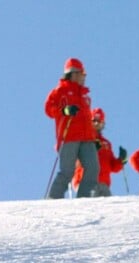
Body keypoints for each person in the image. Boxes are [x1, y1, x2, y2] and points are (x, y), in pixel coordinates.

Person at [44, 57, 98, 198]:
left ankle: (84, 198)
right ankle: (53, 198)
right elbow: (49, 109)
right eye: (82, 74)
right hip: (69, 137)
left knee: (93, 167)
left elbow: (87, 118)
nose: (84, 77)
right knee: (67, 171)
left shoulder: (84, 94)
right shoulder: (60, 91)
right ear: (73, 73)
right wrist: (64, 110)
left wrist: (94, 137)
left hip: (86, 138)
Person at [71, 108, 127, 197]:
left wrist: (121, 160)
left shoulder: (106, 143)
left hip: (103, 184)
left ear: (103, 124)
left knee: (108, 209)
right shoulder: (82, 138)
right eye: (94, 120)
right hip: (85, 182)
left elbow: (113, 167)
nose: (97, 123)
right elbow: (74, 160)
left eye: (99, 121)